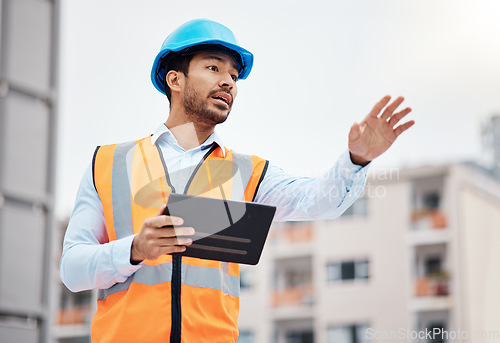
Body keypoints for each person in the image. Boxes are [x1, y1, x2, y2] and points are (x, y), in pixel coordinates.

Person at [60, 19, 414, 343]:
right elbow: (73, 270)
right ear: (175, 79)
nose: (228, 81)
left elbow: (319, 199)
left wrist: (357, 159)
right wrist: (135, 249)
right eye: (213, 67)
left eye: (233, 75)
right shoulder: (107, 163)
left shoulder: (247, 172)